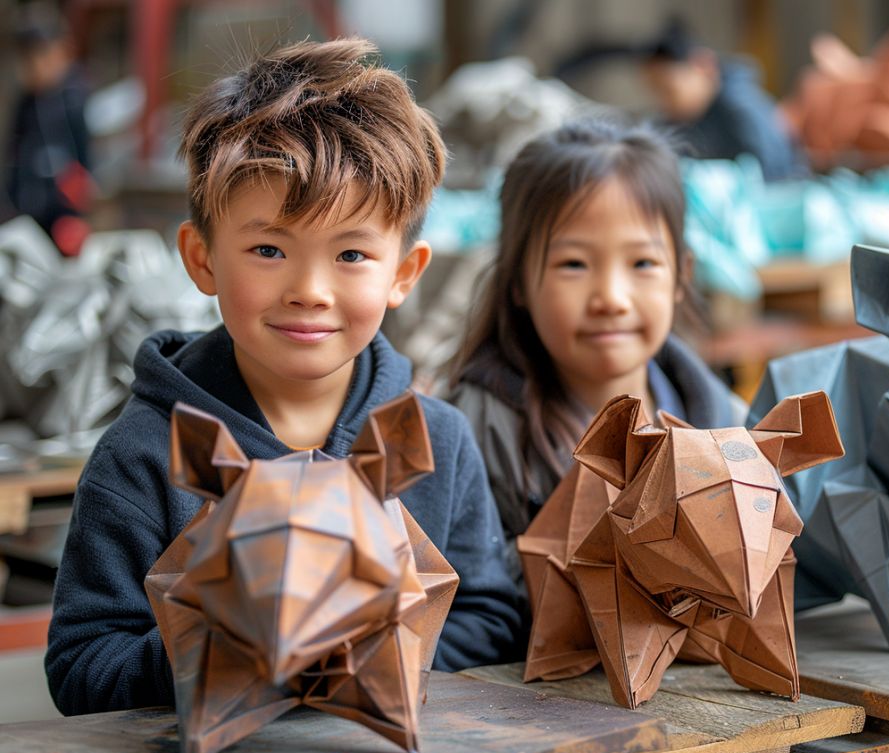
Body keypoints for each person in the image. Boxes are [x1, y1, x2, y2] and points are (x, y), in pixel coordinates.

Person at [45, 38, 524, 715]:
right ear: (202, 258)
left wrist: (362, 658)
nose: (309, 290)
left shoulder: (434, 442)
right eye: (268, 249)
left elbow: (491, 620)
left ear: (405, 275)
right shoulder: (144, 459)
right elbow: (81, 668)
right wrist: (227, 644)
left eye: (352, 253)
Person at [446, 120, 744, 593]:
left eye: (642, 263)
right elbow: (476, 590)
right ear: (519, 281)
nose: (611, 297)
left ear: (681, 276)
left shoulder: (727, 425)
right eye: (574, 265)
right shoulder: (478, 431)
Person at [640, 20, 802, 182]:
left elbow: (776, 174)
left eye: (669, 91)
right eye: (655, 92)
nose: (663, 103)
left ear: (703, 65)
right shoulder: (677, 119)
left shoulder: (741, 107)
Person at [5, 3, 92, 254]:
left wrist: (77, 212)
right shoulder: (26, 104)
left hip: (62, 217)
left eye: (41, 57)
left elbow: (83, 160)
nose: (34, 68)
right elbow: (15, 156)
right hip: (26, 211)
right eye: (27, 60)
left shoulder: (72, 100)